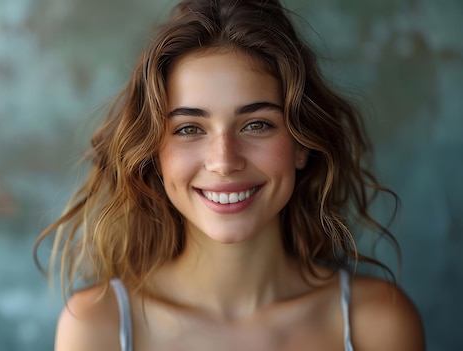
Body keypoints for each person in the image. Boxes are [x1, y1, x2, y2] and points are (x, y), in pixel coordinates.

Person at [34, 0, 425, 350]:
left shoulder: (377, 324)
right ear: (154, 152)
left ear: (302, 144)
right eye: (189, 129)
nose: (224, 161)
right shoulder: (98, 327)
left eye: (256, 125)